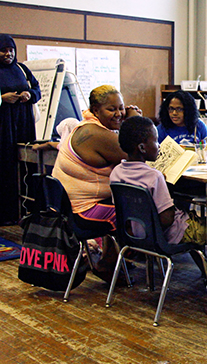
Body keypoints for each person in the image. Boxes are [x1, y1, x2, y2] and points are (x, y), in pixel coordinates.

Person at [111, 116, 207, 295]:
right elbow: (166, 219)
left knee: (199, 222)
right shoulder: (154, 177)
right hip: (171, 234)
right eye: (155, 141)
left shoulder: (116, 173)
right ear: (143, 148)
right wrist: (166, 191)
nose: (159, 145)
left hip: (136, 236)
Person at [52, 84, 142, 279]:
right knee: (137, 215)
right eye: (112, 109)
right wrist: (135, 120)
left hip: (71, 208)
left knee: (123, 203)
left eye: (121, 107)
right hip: (83, 211)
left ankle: (113, 261)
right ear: (95, 110)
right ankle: (111, 263)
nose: (119, 113)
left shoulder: (88, 126)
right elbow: (139, 153)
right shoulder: (96, 134)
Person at [0, 34, 42, 226]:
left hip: (24, 123)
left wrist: (29, 94)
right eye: (4, 50)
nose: (8, 54)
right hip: (3, 127)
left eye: (11, 50)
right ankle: (6, 214)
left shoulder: (21, 69)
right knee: (5, 166)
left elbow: (37, 90)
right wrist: (2, 98)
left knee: (27, 164)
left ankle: (28, 210)